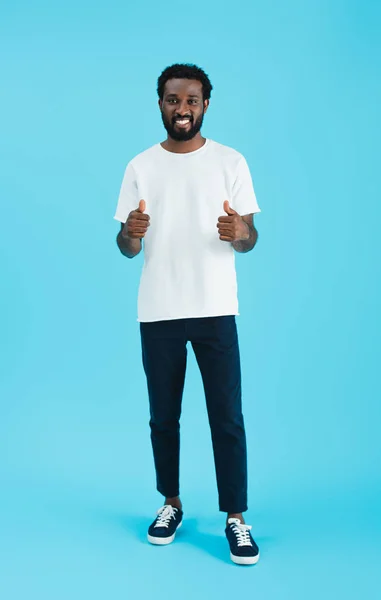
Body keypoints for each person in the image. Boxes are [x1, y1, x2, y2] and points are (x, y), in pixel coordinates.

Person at [114, 63, 261, 566]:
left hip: (216, 307)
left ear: (205, 105)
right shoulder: (139, 166)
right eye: (173, 99)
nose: (183, 109)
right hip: (158, 310)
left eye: (192, 100)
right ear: (160, 103)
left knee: (227, 416)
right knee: (164, 417)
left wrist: (240, 233)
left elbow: (250, 239)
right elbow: (127, 247)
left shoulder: (231, 162)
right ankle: (170, 503)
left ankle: (236, 517)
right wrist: (131, 232)